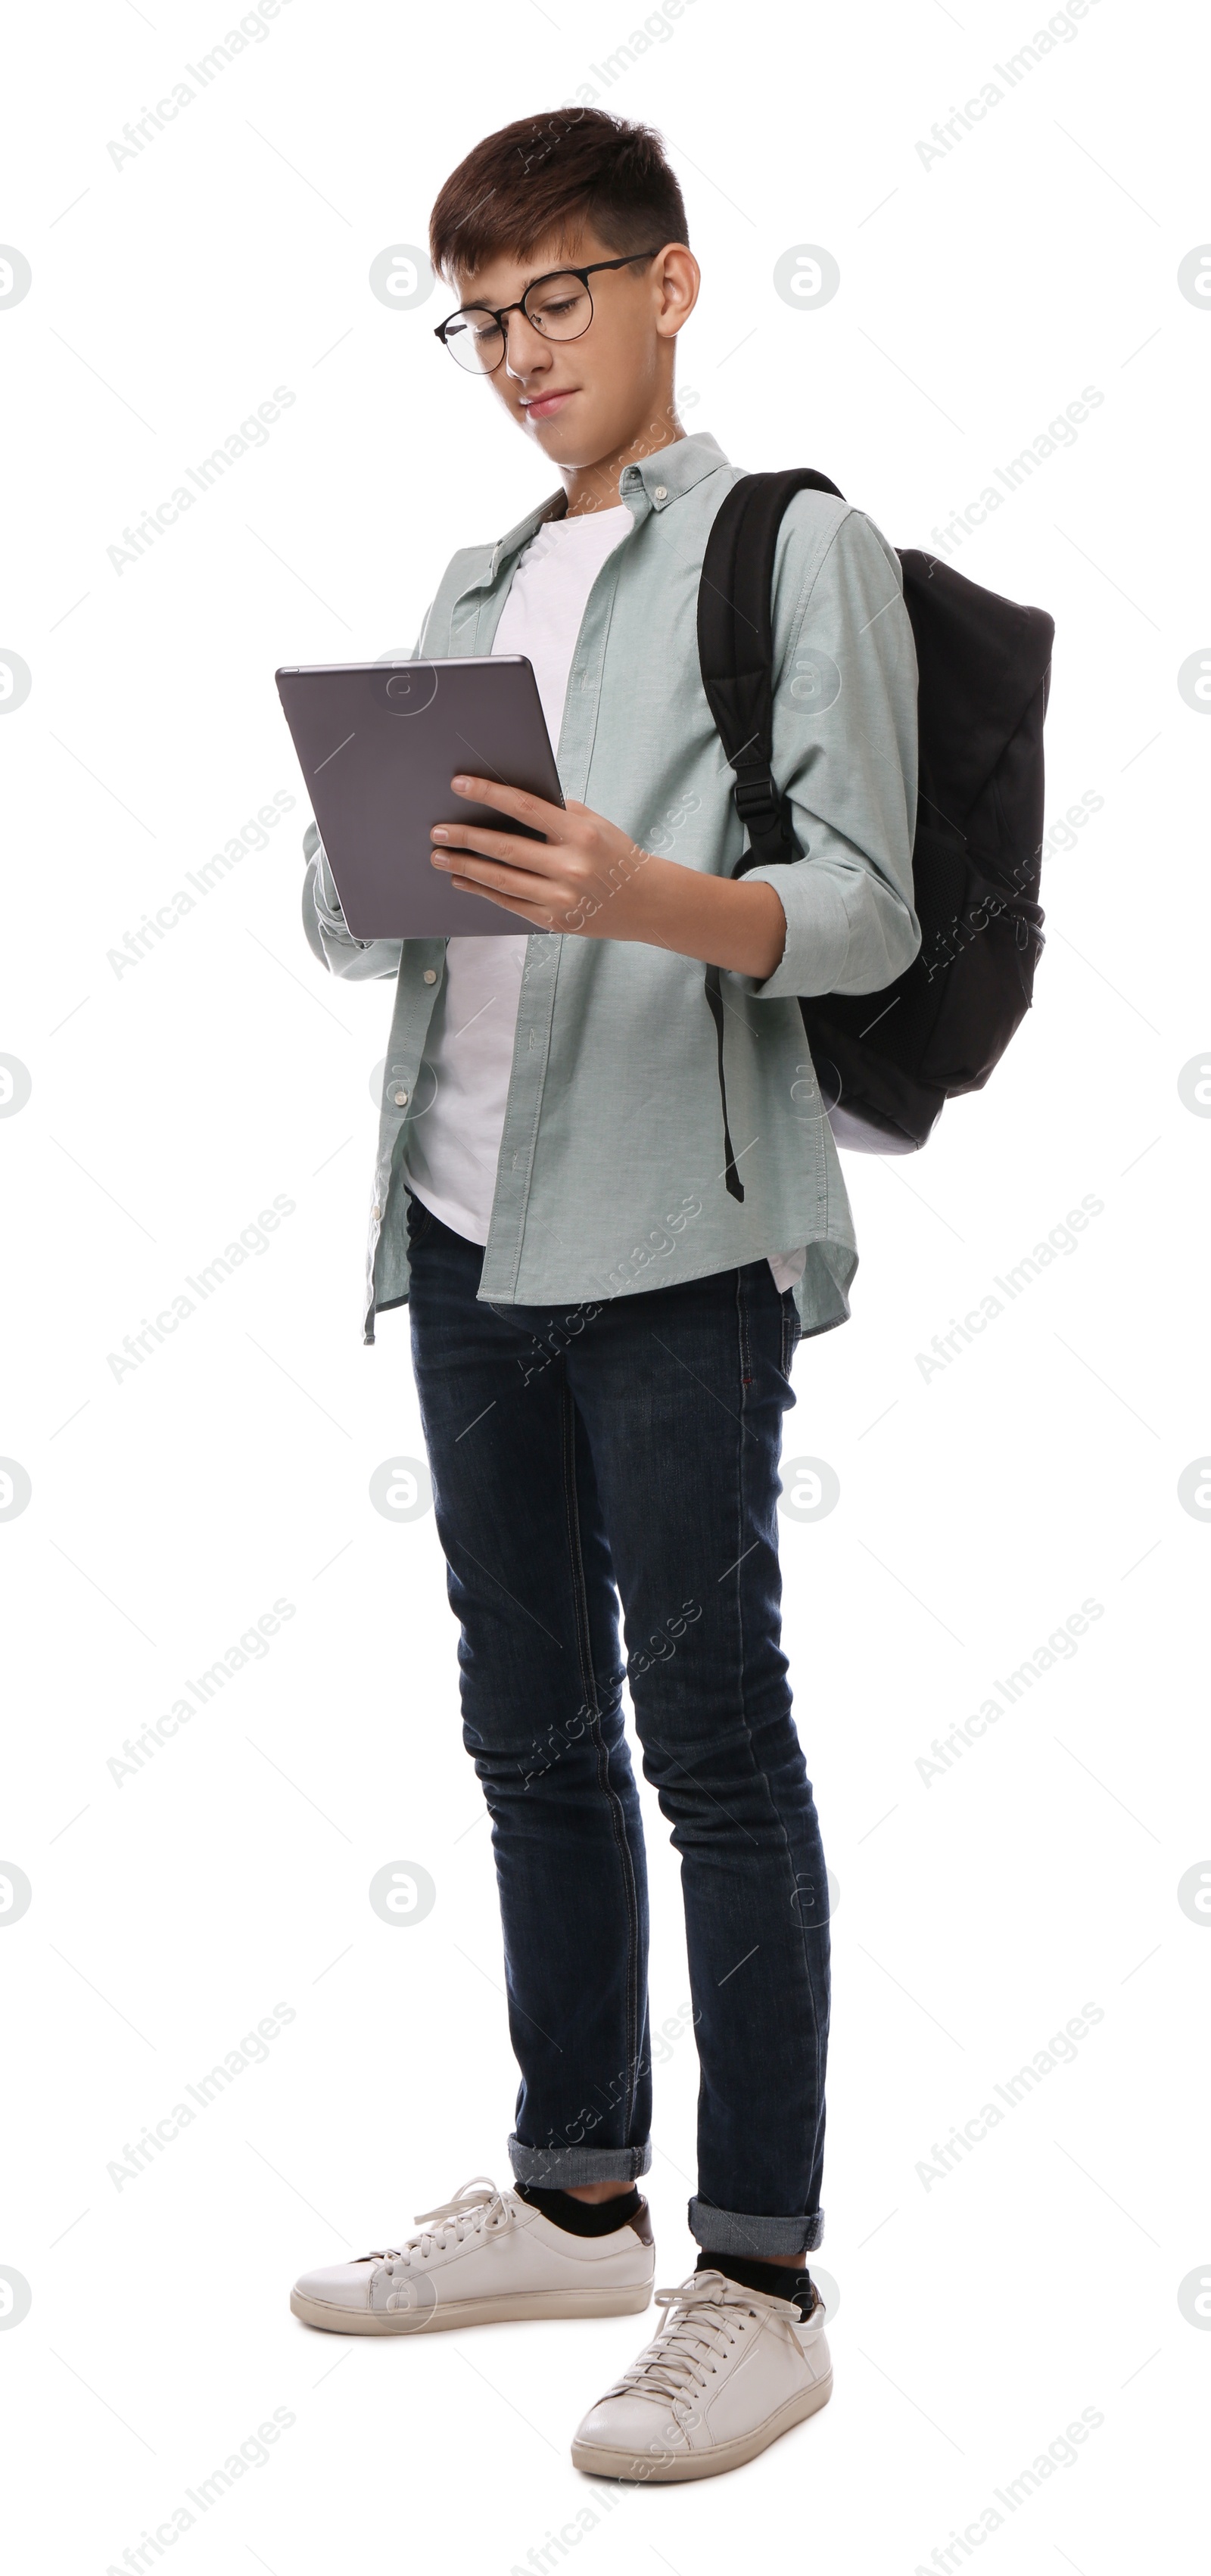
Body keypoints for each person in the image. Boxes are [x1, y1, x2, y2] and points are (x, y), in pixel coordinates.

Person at [289, 106, 920, 2483]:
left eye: (559, 297)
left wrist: (632, 889)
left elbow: (863, 905)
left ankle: (755, 2269)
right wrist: (385, 864)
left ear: (669, 285)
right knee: (527, 1723)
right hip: (457, 1229)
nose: (519, 351)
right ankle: (575, 2188)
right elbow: (360, 918)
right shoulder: (470, 582)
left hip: (680, 1235)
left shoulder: (788, 543)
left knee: (713, 1739)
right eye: (481, 317)